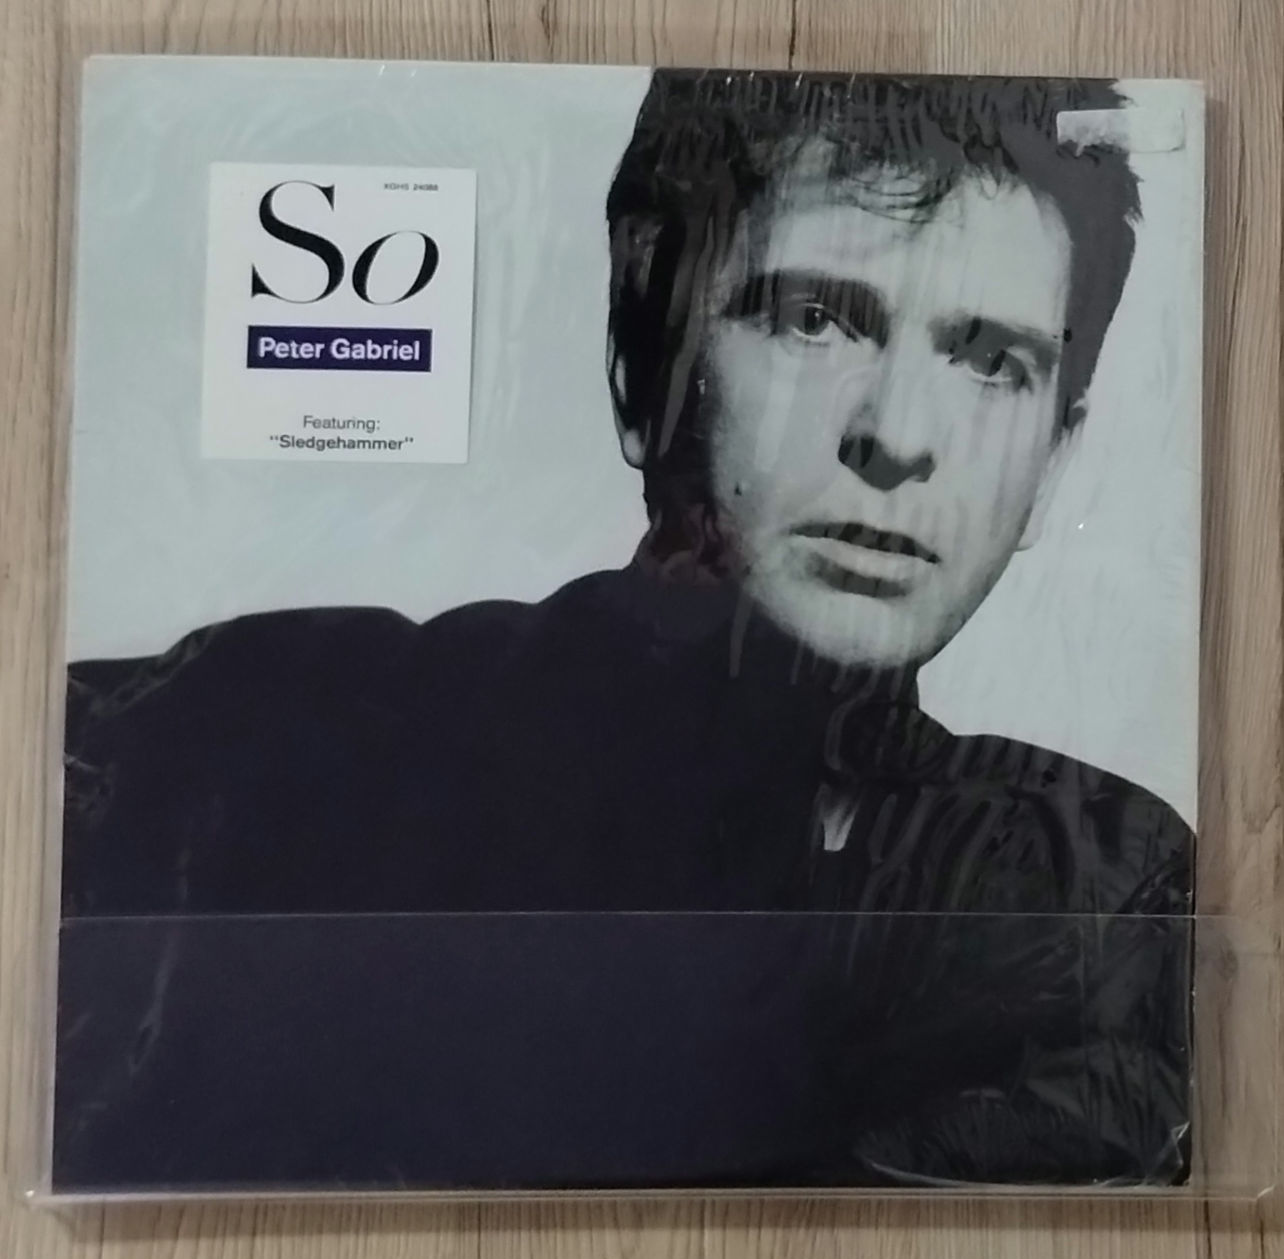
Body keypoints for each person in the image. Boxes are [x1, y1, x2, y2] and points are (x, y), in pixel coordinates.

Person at [55, 71, 1193, 1192]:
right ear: (644, 366)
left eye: (993, 363)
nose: (898, 436)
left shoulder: (1097, 880)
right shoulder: (244, 746)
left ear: (1056, 458)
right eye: (813, 319)